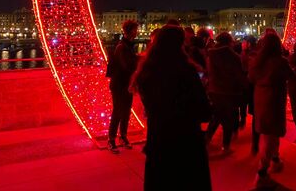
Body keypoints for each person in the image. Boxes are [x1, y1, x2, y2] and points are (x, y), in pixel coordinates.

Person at [131, 25, 212, 191]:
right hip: (186, 141)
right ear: (180, 44)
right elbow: (203, 111)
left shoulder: (146, 71)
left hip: (159, 139)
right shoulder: (186, 71)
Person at [249, 33, 296, 180]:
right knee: (272, 133)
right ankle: (263, 167)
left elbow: (251, 78)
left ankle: (275, 158)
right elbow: (292, 77)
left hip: (260, 98)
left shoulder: (258, 61)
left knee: (268, 133)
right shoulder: (280, 62)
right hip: (274, 100)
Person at [205, 32, 247, 153]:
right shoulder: (233, 56)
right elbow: (238, 75)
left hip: (214, 90)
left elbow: (209, 72)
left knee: (217, 116)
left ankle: (206, 139)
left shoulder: (211, 54)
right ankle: (226, 145)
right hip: (229, 91)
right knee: (228, 119)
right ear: (229, 42)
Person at [106, 20, 139, 153]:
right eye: (135, 30)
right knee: (118, 111)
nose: (137, 32)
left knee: (125, 112)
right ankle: (111, 139)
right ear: (129, 31)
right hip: (119, 85)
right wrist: (139, 60)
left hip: (126, 84)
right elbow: (127, 66)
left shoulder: (128, 45)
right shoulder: (122, 47)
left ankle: (123, 136)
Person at [241, 35, 260, 154]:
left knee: (255, 113)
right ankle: (255, 142)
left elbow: (248, 69)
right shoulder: (247, 53)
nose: (242, 44)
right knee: (253, 112)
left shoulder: (252, 54)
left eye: (244, 42)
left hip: (251, 85)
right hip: (248, 85)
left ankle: (255, 142)